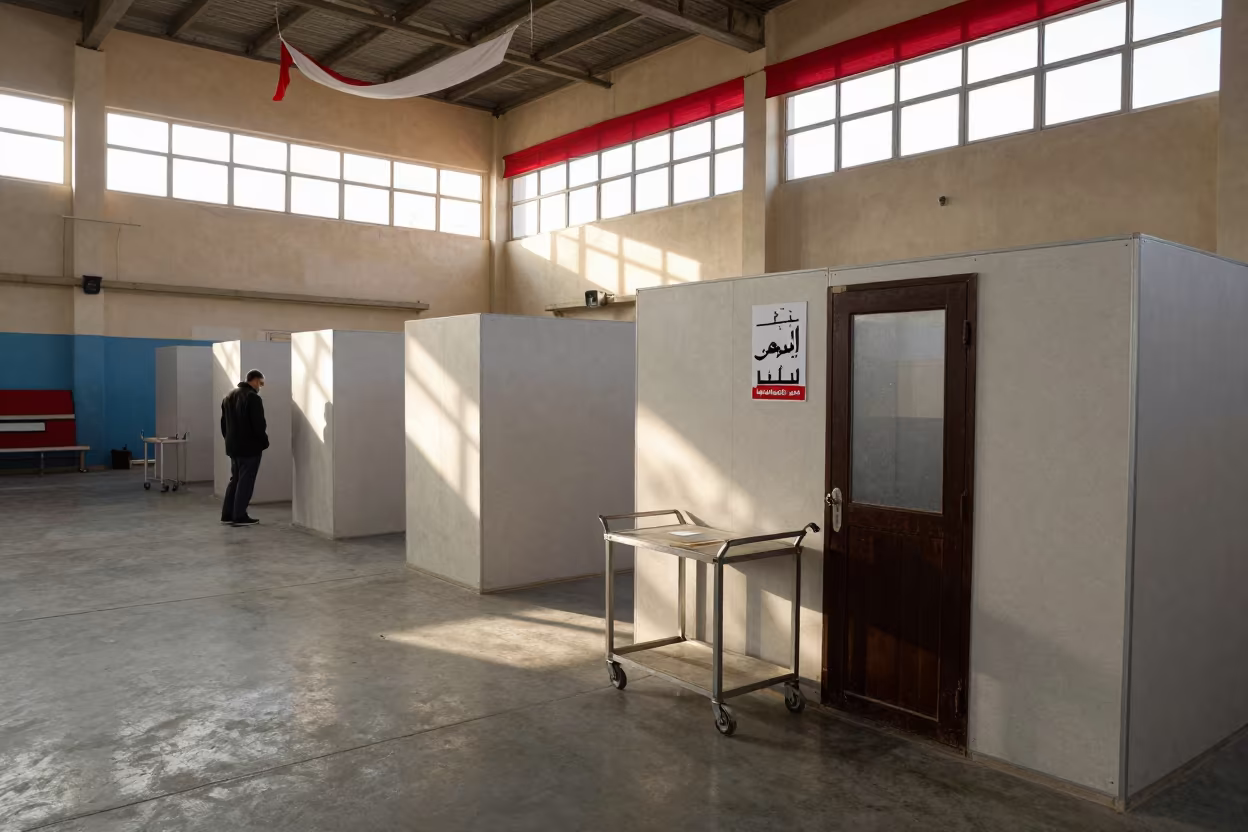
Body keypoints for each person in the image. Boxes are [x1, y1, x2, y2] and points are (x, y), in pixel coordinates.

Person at [220, 369, 269, 526]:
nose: (260, 387)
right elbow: (259, 425)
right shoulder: (253, 398)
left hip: (233, 447)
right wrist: (264, 442)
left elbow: (223, 425)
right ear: (254, 380)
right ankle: (240, 515)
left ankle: (227, 514)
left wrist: (229, 440)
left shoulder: (228, 397)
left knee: (235, 479)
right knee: (245, 481)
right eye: (260, 383)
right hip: (250, 447)